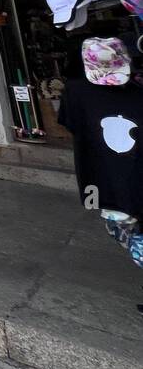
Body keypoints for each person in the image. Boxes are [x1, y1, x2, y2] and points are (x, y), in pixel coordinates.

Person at [58, 37, 143, 309]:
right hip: (126, 177)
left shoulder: (75, 91)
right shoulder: (137, 91)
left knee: (123, 227)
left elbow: (69, 124)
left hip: (102, 181)